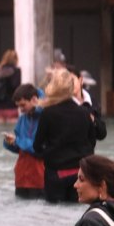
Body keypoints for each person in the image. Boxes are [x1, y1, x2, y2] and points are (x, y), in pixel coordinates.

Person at [32, 68, 97, 203]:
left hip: (55, 173)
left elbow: (37, 145)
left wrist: (47, 154)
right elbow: (92, 142)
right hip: (80, 174)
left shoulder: (48, 113)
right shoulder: (84, 112)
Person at [2, 83, 44, 199]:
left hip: (39, 178)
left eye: (23, 105)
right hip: (21, 177)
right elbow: (20, 147)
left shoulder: (46, 118)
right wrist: (10, 142)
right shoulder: (22, 119)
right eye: (18, 106)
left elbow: (41, 148)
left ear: (34, 100)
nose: (21, 109)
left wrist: (18, 141)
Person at [0, 49, 22, 123]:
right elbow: (15, 87)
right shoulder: (16, 71)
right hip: (11, 105)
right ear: (15, 59)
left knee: (0, 131)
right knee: (11, 131)